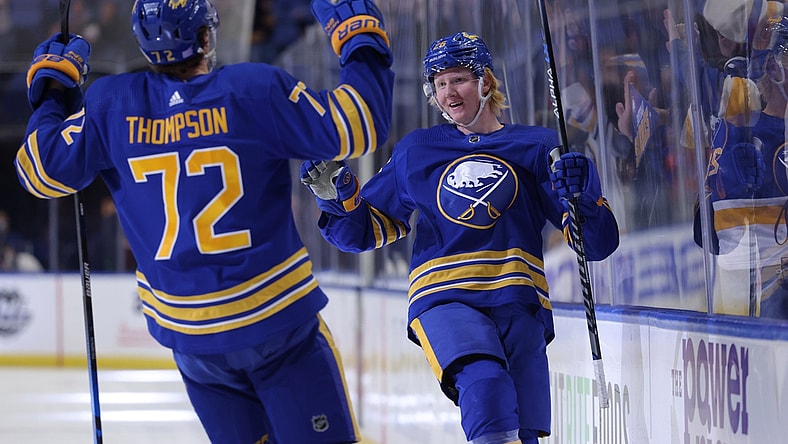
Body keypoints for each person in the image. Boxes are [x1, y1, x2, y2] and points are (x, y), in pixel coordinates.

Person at [14, 0, 394, 442]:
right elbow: (362, 124)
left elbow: (38, 171)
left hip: (192, 340)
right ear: (206, 38)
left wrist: (53, 90)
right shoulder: (253, 88)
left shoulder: (110, 103)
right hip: (275, 323)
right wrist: (357, 33)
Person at [301, 32, 620, 444]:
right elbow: (365, 230)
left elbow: (595, 245)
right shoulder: (417, 149)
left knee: (522, 431)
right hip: (445, 298)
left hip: (518, 300)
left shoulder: (538, 147)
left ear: (486, 82)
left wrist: (584, 195)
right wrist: (339, 201)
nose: (449, 92)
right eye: (440, 83)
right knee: (485, 388)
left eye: (459, 79)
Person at [693, 13, 788, 320]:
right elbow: (708, 233)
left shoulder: (736, 129)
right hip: (761, 302)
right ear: (774, 68)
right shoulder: (741, 133)